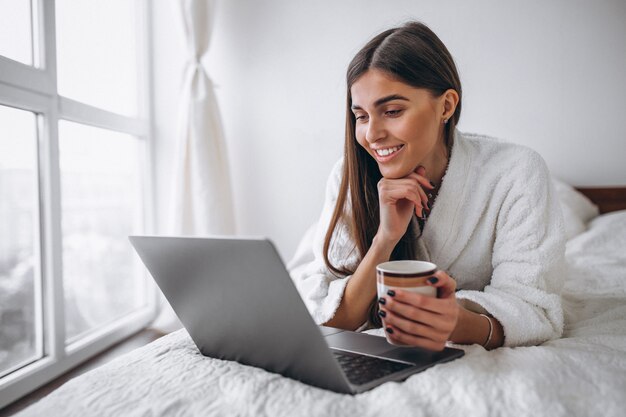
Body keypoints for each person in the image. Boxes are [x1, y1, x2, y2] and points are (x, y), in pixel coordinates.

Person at [288, 21, 565, 351]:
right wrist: (385, 239)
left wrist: (458, 323)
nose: (372, 134)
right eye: (361, 116)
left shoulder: (516, 172)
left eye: (392, 111)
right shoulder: (350, 175)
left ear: (446, 106)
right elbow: (332, 317)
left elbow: (535, 312)